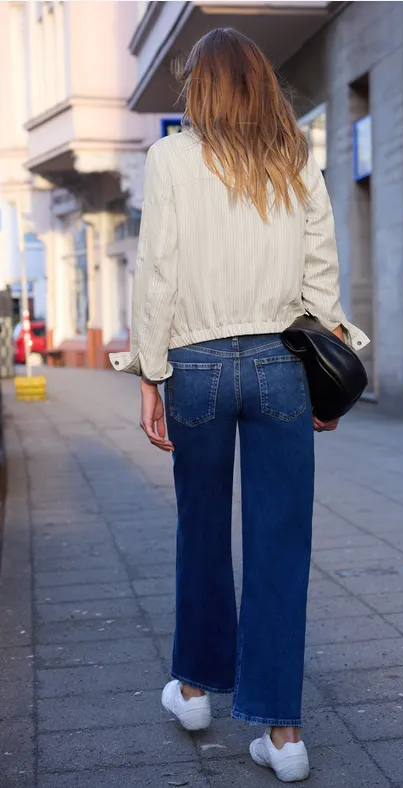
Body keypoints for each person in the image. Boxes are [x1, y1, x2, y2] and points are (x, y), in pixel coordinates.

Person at [110, 27, 368, 783]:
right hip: (282, 366)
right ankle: (283, 737)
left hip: (194, 366)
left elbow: (157, 270)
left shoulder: (170, 158)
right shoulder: (294, 159)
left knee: (199, 530)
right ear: (260, 84)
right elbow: (321, 283)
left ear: (200, 88)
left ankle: (193, 691)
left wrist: (150, 373)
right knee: (280, 544)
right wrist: (334, 383)